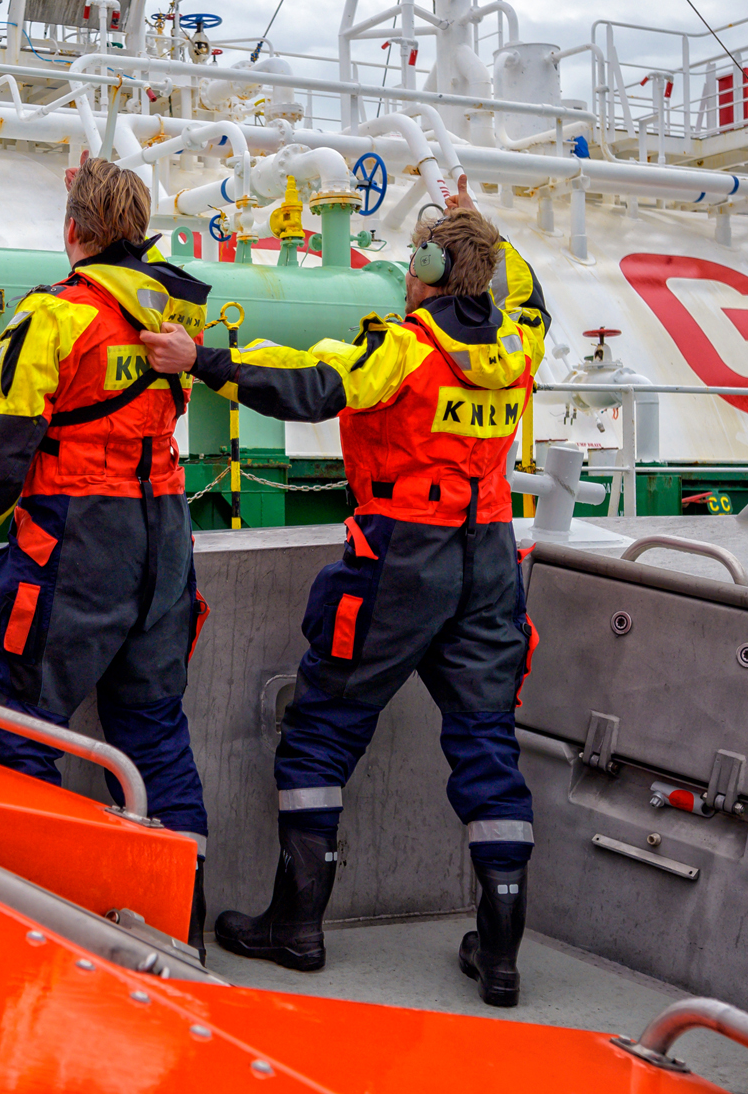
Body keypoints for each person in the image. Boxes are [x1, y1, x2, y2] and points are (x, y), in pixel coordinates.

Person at [141, 175, 550, 1004]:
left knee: (323, 729)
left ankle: (297, 925)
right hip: (491, 561)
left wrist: (202, 361)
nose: (405, 273)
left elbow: (308, 387)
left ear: (433, 267)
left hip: (401, 557)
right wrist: (482, 225)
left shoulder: (403, 345)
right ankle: (501, 954)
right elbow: (533, 298)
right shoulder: (517, 346)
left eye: (415, 258)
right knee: (486, 741)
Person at [0, 158, 214, 958]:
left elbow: (5, 444)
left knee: (25, 732)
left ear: (71, 232)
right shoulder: (174, 318)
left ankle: (40, 940)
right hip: (163, 537)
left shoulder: (54, 316)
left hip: (75, 539)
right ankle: (182, 930)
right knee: (155, 735)